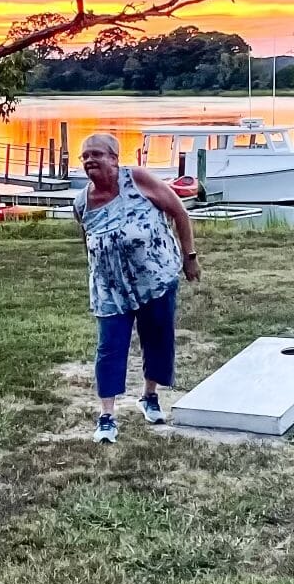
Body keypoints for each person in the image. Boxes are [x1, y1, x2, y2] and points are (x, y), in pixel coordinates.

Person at [75, 131, 200, 443]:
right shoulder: (81, 203)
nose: (90, 160)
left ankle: (149, 396)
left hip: (155, 280)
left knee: (157, 339)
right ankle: (107, 417)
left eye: (97, 154)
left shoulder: (139, 180)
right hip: (110, 289)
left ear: (115, 159)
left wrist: (190, 258)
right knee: (109, 349)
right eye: (85, 156)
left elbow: (179, 212)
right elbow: (87, 243)